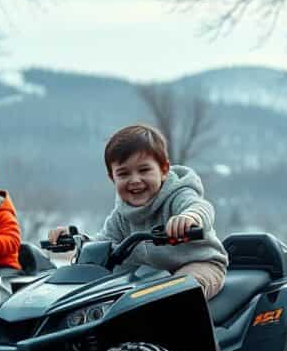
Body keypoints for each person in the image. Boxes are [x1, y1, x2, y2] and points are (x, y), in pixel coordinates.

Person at [49, 124, 228, 299]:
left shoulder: (178, 195)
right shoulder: (121, 214)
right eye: (124, 174)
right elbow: (104, 243)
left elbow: (200, 207)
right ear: (113, 178)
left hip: (200, 265)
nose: (135, 180)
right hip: (152, 277)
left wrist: (188, 218)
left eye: (144, 170)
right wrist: (77, 240)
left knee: (178, 294)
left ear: (164, 170)